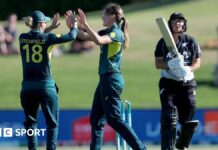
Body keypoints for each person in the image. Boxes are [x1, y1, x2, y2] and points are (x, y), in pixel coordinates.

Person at [75, 3, 147, 150]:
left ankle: (141, 148)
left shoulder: (116, 33)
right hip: (105, 80)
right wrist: (74, 26)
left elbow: (98, 41)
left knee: (114, 120)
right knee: (96, 119)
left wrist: (86, 23)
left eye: (105, 14)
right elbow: (84, 36)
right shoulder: (107, 31)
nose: (102, 16)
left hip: (111, 79)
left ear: (113, 16)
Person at [19, 10, 78, 150]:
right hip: (46, 86)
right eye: (45, 21)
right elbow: (71, 36)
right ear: (41, 24)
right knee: (52, 124)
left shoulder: (22, 37)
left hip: (27, 87)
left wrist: (50, 27)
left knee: (31, 124)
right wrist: (74, 25)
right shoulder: (49, 38)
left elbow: (36, 37)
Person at [154, 12, 201, 150]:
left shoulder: (191, 41)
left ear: (184, 24)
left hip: (187, 82)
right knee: (169, 114)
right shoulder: (163, 42)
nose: (177, 23)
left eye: (180, 21)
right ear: (170, 24)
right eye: (175, 21)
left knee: (189, 116)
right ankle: (168, 146)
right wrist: (171, 64)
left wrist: (188, 69)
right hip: (169, 82)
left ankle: (181, 141)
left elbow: (197, 61)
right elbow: (157, 63)